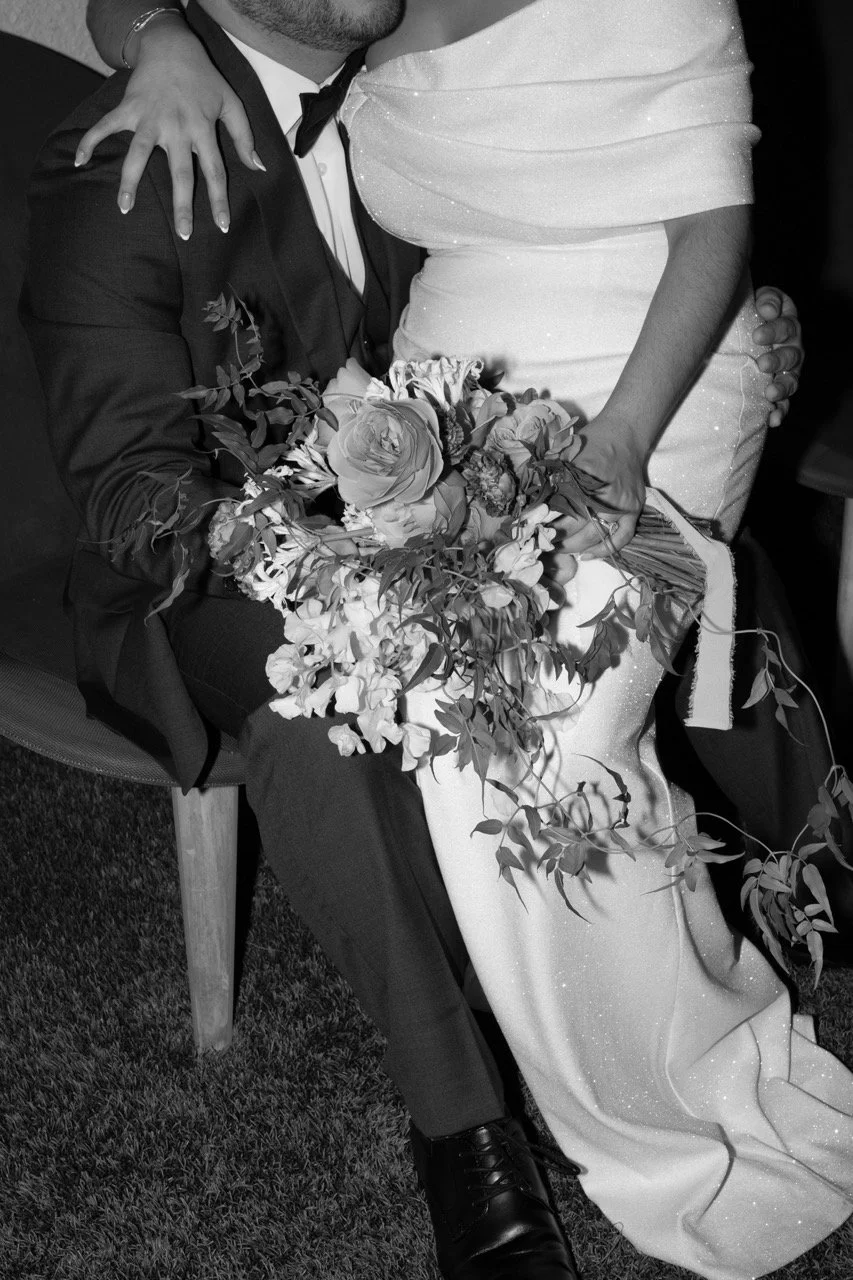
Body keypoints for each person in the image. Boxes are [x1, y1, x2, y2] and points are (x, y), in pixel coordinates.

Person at [20, 6, 846, 1280]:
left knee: (525, 662)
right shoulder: (126, 163)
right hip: (189, 583)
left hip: (409, 506)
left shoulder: (370, 97)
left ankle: (698, 924)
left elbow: (561, 212)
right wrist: (326, 571)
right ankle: (464, 1132)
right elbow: (132, 492)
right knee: (323, 723)